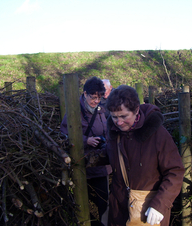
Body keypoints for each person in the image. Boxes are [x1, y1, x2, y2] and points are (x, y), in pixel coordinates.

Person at [90, 85, 185, 226]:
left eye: (124, 116)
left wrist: (160, 204)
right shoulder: (114, 132)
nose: (119, 122)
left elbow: (175, 172)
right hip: (119, 210)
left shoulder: (158, 134)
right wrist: (89, 159)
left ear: (136, 110)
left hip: (148, 210)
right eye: (114, 117)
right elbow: (113, 155)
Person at [60, 77, 112, 226]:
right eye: (93, 97)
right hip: (83, 167)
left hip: (101, 166)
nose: (96, 101)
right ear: (84, 93)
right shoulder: (74, 110)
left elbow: (106, 129)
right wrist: (86, 140)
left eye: (99, 97)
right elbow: (64, 134)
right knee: (83, 203)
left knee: (104, 201)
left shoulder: (101, 110)